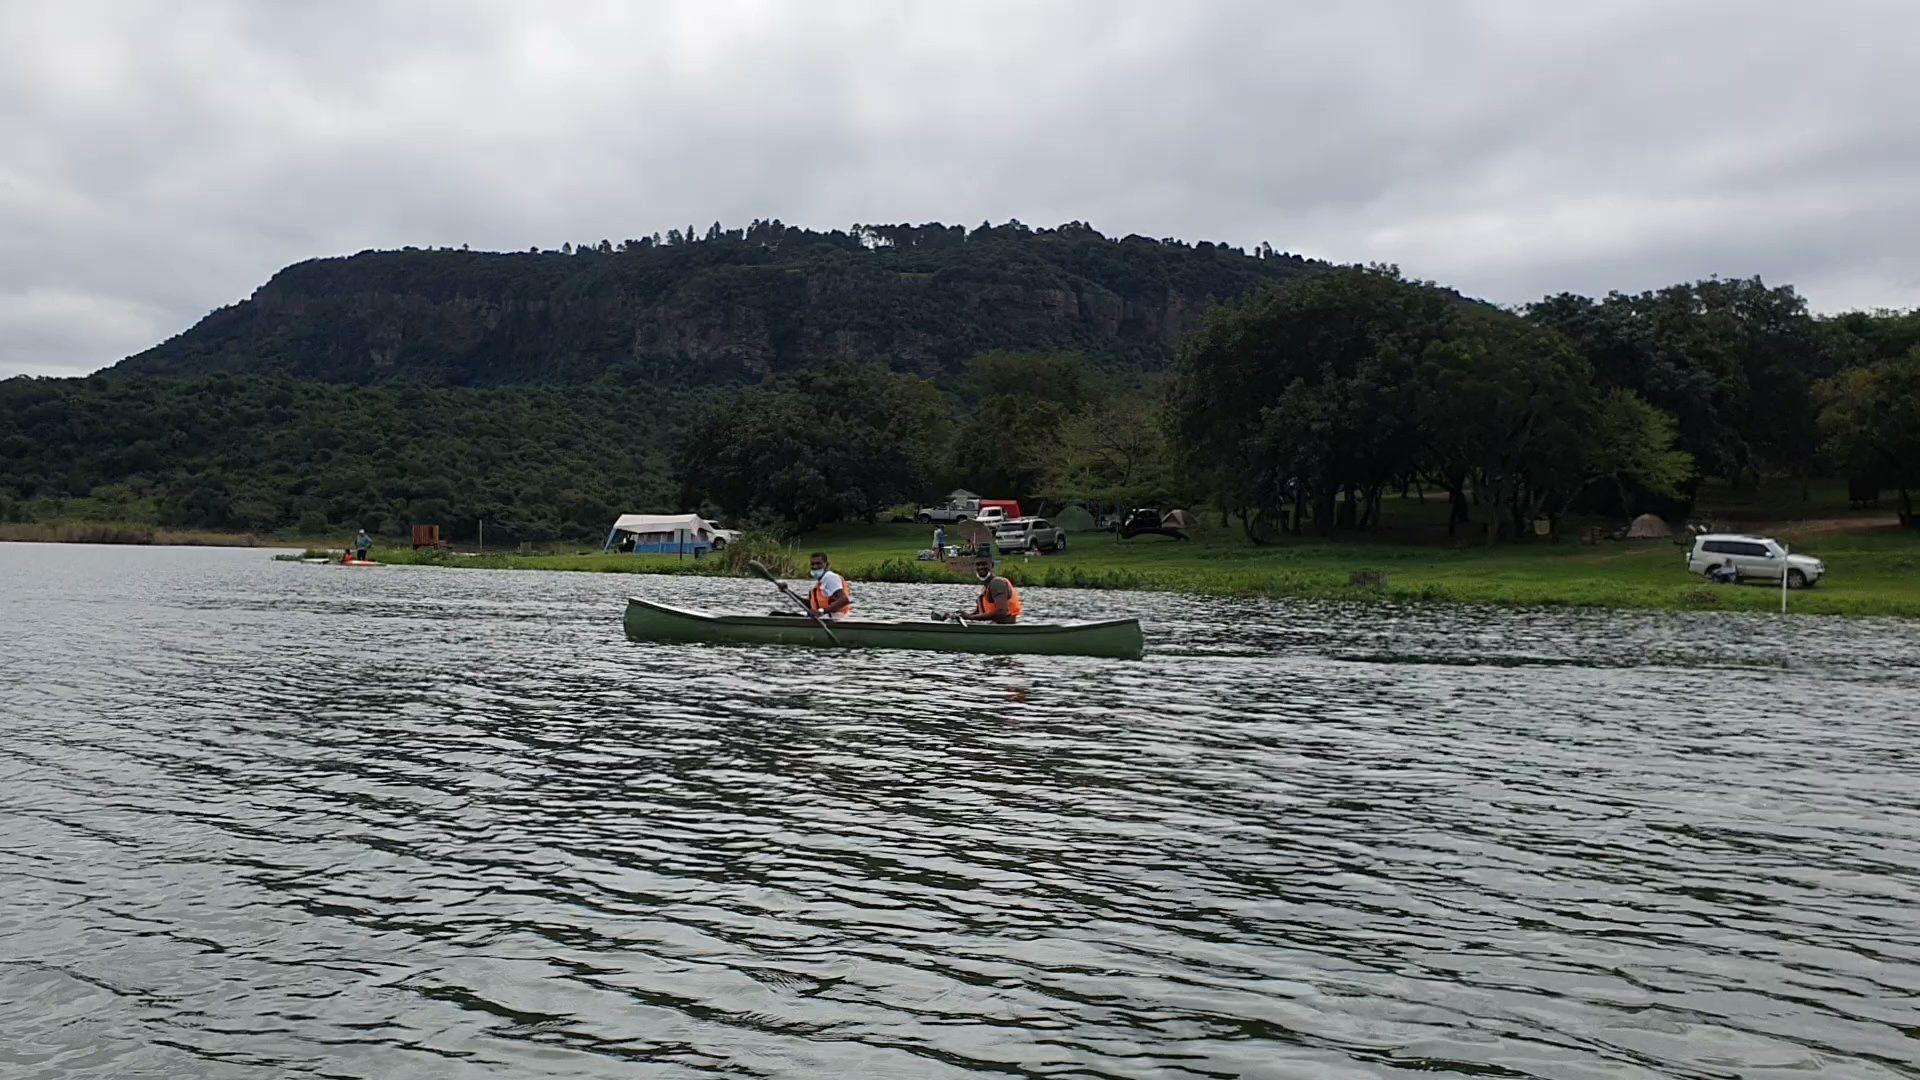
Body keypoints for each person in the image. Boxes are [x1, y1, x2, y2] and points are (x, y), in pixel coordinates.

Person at [778, 552, 852, 619]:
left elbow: (844, 600)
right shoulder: (820, 583)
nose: (815, 567)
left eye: (818, 563)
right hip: (825, 618)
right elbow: (811, 605)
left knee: (775, 615)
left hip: (834, 619)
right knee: (777, 614)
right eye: (812, 564)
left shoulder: (830, 577)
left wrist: (821, 611)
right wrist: (788, 592)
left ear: (827, 565)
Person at [955, 555, 1020, 624]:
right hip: (993, 627)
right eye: (978, 564)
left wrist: (971, 617)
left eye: (984, 564)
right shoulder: (985, 588)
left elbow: (1001, 612)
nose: (980, 567)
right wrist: (960, 616)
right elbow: (978, 614)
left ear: (992, 565)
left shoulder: (998, 583)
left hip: (1005, 630)